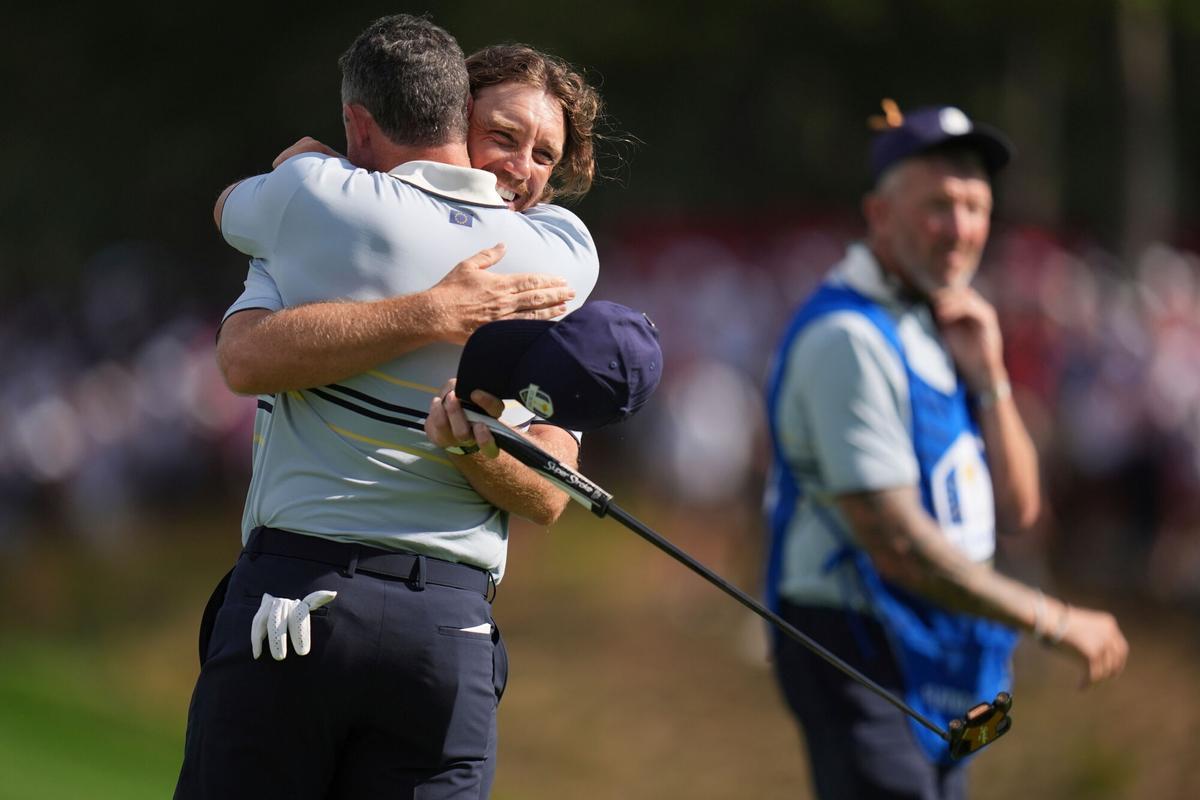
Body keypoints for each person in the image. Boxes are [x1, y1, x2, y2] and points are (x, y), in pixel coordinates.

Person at [175, 16, 609, 800]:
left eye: (544, 154)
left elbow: (548, 493)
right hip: (437, 640)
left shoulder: (317, 206)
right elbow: (247, 361)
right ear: (453, 114)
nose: (521, 169)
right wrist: (432, 311)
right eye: (505, 136)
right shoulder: (563, 265)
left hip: (319, 597)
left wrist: (476, 453)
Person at [764, 101, 1129, 799]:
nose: (960, 230)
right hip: (856, 641)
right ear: (879, 215)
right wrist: (1053, 618)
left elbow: (1019, 511)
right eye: (937, 206)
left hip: (935, 640)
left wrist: (990, 378)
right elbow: (897, 545)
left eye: (975, 206)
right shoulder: (851, 337)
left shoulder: (939, 320)